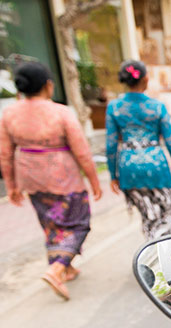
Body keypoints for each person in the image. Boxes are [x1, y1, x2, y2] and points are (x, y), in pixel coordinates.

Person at [0, 61, 103, 300]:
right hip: (62, 176)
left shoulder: (9, 113)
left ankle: (66, 268)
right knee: (79, 222)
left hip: (30, 176)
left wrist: (13, 185)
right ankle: (56, 269)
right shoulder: (60, 111)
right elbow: (81, 151)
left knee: (51, 223)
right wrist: (94, 180)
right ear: (48, 85)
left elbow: (5, 154)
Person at [106, 60, 171, 241]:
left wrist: (113, 175)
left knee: (148, 217)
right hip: (156, 168)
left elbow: (111, 145)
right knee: (165, 216)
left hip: (129, 170)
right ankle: (159, 255)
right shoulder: (157, 107)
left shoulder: (114, 108)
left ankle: (152, 250)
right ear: (145, 79)